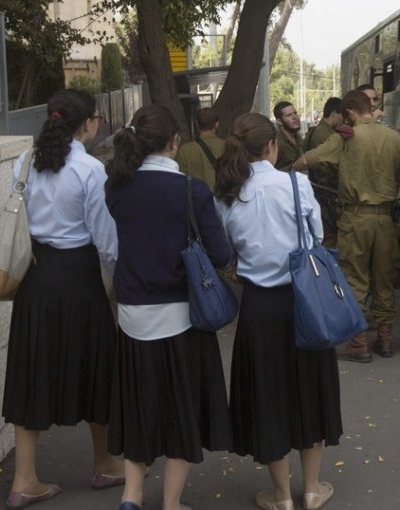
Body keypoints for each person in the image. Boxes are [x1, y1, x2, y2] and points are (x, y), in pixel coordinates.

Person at [105, 105, 233, 510]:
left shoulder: (116, 188)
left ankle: (131, 495)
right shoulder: (191, 191)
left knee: (137, 404)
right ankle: (172, 504)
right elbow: (220, 251)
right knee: (182, 408)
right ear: (175, 142)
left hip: (131, 314)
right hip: (182, 316)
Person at [1, 89, 122, 510]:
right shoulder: (90, 169)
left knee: (31, 371)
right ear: (86, 123)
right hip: (80, 281)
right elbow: (105, 237)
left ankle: (23, 479)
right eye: (97, 118)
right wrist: (122, 278)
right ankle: (105, 462)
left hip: (36, 278)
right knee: (96, 366)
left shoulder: (24, 162)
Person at [215, 113, 341, 510]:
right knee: (310, 390)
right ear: (271, 146)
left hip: (258, 307)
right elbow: (317, 236)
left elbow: (226, 252)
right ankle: (312, 488)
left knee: (269, 395)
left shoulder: (228, 195)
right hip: (305, 299)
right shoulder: (296, 183)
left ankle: (282, 496)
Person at [293, 89, 400, 361]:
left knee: (355, 277)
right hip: (385, 219)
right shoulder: (395, 138)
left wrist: (290, 173)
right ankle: (386, 340)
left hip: (355, 218)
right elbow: (398, 174)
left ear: (351, 111)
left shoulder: (346, 138)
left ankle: (359, 343)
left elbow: (307, 160)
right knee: (384, 279)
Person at [303, 97, 344, 247]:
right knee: (330, 239)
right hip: (326, 191)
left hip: (319, 190)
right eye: (342, 115)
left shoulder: (315, 130)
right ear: (334, 113)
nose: (343, 120)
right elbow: (332, 164)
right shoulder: (327, 135)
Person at [175, 107, 224, 191]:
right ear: (217, 124)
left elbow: (180, 181)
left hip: (196, 201)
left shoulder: (184, 151)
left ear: (197, 124)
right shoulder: (229, 147)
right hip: (224, 200)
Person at [273, 101, 304, 170]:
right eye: (289, 115)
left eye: (295, 113)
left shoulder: (298, 138)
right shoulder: (276, 143)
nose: (295, 117)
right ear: (279, 121)